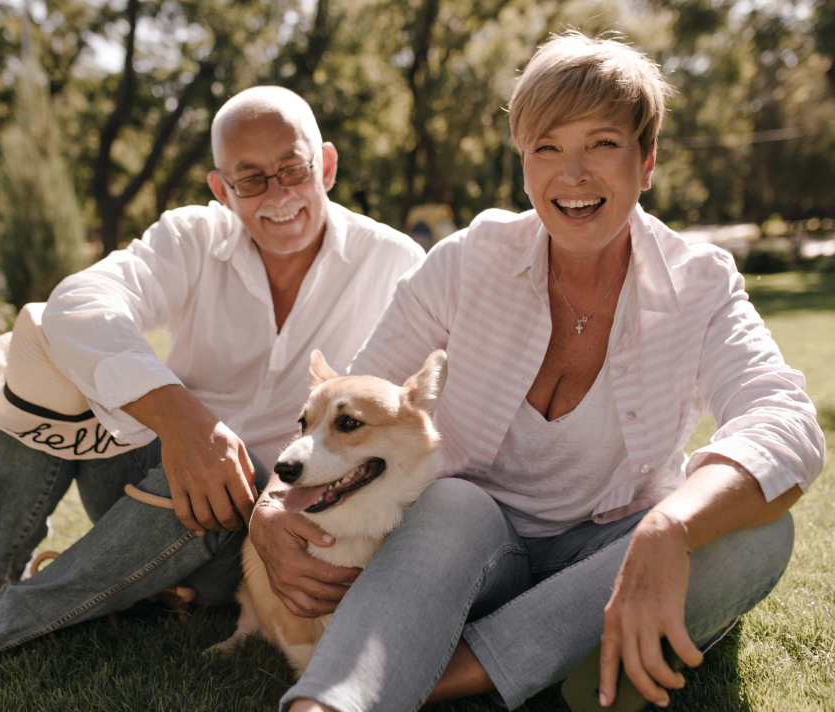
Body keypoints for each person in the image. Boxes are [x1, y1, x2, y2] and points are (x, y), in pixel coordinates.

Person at [277, 33, 825, 712]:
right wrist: (270, 512)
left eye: (601, 143)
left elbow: (783, 420)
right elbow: (350, 399)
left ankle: (448, 678)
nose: (573, 174)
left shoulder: (698, 282)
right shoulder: (466, 261)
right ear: (524, 163)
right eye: (547, 147)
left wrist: (668, 528)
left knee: (757, 530)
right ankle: (334, 702)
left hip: (612, 555)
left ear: (645, 160)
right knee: (451, 501)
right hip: (472, 550)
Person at [0, 86, 424, 681]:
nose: (280, 194)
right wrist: (185, 422)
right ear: (222, 189)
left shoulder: (393, 263)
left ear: (328, 165)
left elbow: (409, 420)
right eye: (252, 179)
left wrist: (265, 500)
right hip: (156, 477)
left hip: (273, 531)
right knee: (43, 358)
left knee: (211, 482)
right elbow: (75, 305)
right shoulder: (190, 236)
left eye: (295, 168)